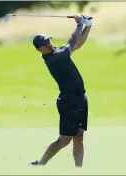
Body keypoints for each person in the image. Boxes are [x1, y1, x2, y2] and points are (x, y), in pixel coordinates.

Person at [30, 14, 92, 167]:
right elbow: (72, 41)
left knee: (79, 135)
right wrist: (79, 24)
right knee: (64, 139)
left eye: (48, 40)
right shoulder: (55, 58)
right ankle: (41, 163)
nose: (49, 44)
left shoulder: (57, 51)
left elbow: (77, 44)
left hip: (80, 98)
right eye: (45, 44)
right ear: (39, 49)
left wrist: (88, 25)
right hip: (68, 101)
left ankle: (79, 168)